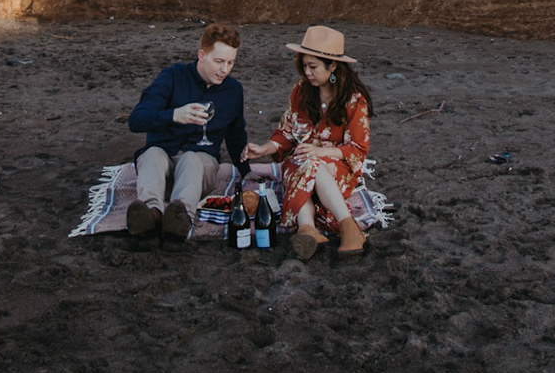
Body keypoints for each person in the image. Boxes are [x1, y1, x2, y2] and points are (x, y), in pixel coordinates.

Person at [244, 25, 374, 260]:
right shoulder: (301, 91)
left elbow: (357, 149)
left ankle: (318, 226)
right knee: (301, 162)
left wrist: (318, 151)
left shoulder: (354, 100)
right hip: (300, 162)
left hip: (338, 167)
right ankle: (315, 229)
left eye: (313, 67)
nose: (307, 72)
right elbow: (286, 133)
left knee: (311, 162)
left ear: (332, 66)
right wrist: (265, 148)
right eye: (304, 66)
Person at [126, 22, 247, 242]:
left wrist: (246, 170)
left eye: (230, 62)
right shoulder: (173, 76)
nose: (225, 70)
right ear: (202, 55)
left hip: (200, 168)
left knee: (191, 159)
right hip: (162, 165)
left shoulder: (233, 91)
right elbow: (136, 120)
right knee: (152, 154)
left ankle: (180, 219)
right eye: (219, 61)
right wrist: (173, 115)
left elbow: (236, 135)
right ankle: (151, 215)